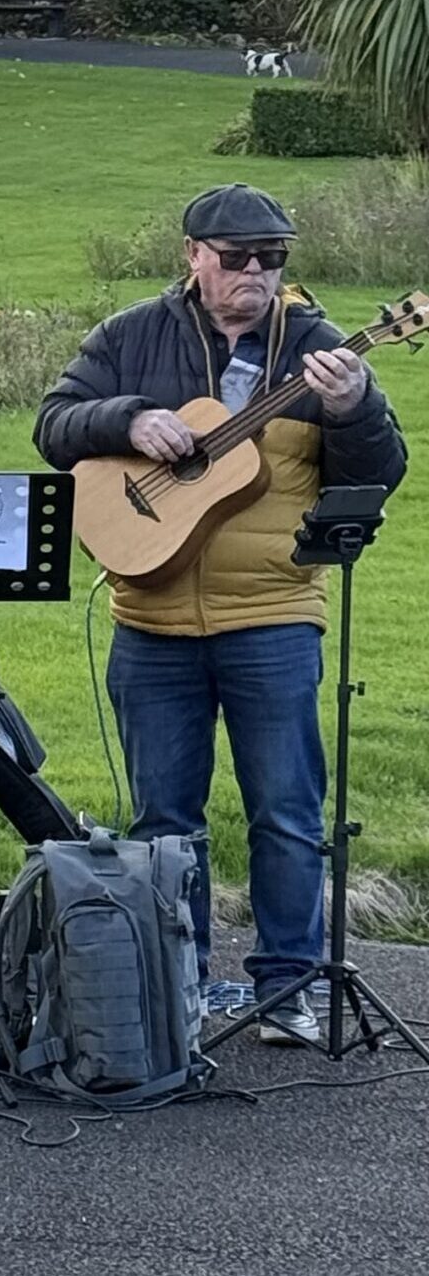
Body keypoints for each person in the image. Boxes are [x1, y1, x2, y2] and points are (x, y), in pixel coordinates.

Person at [34, 182, 406, 1047]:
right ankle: (179, 982)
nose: (255, 273)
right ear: (193, 257)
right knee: (165, 817)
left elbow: (378, 472)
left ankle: (290, 989)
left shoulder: (319, 348)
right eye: (236, 257)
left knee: (285, 810)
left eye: (272, 258)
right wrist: (131, 417)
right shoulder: (132, 335)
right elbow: (55, 425)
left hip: (274, 611)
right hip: (150, 613)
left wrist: (356, 407)